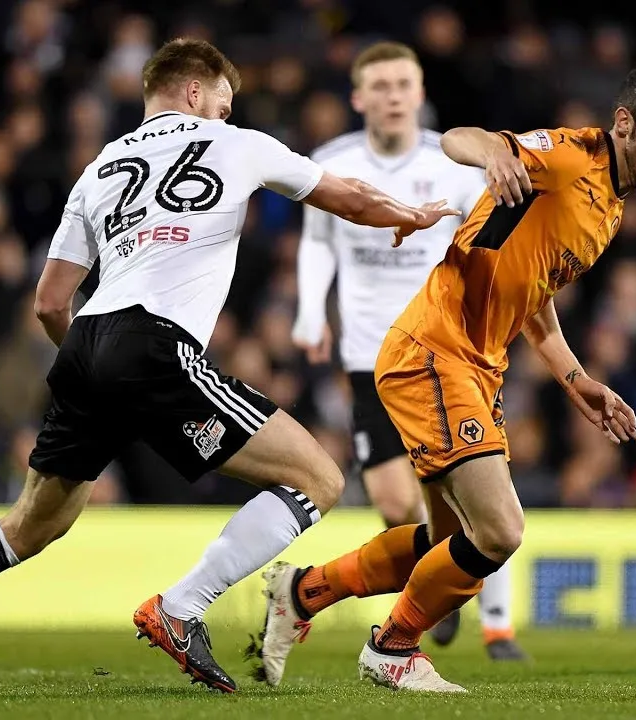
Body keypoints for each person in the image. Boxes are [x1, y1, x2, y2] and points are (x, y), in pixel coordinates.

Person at [0, 38, 459, 694]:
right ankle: (181, 608)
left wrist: (98, 369)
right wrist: (410, 215)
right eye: (223, 100)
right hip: (156, 343)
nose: (225, 111)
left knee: (27, 526)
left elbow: (49, 302)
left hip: (87, 342)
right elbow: (348, 197)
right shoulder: (237, 142)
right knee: (318, 479)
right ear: (195, 91)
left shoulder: (100, 166)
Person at [257, 61, 636, 692]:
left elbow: (536, 299)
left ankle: (303, 591)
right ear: (625, 123)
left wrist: (579, 382)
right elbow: (455, 138)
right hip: (435, 350)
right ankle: (393, 648)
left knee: (447, 542)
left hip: (471, 364)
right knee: (499, 531)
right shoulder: (575, 158)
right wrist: (494, 151)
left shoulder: (610, 211)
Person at [275, 41, 525, 676]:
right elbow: (318, 243)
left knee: (469, 509)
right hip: (370, 356)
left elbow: (493, 253)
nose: (392, 96)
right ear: (359, 98)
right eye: (379, 86)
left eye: (403, 85)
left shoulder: (458, 168)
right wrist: (310, 315)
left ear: (419, 93)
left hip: (448, 353)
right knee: (397, 502)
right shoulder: (331, 162)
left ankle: (482, 621)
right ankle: (419, 604)